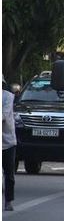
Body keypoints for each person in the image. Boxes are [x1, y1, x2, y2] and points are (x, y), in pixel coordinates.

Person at [3, 78, 17, 211]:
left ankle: (8, 200)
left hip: (7, 142)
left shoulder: (7, 97)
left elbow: (4, 116)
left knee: (9, 173)